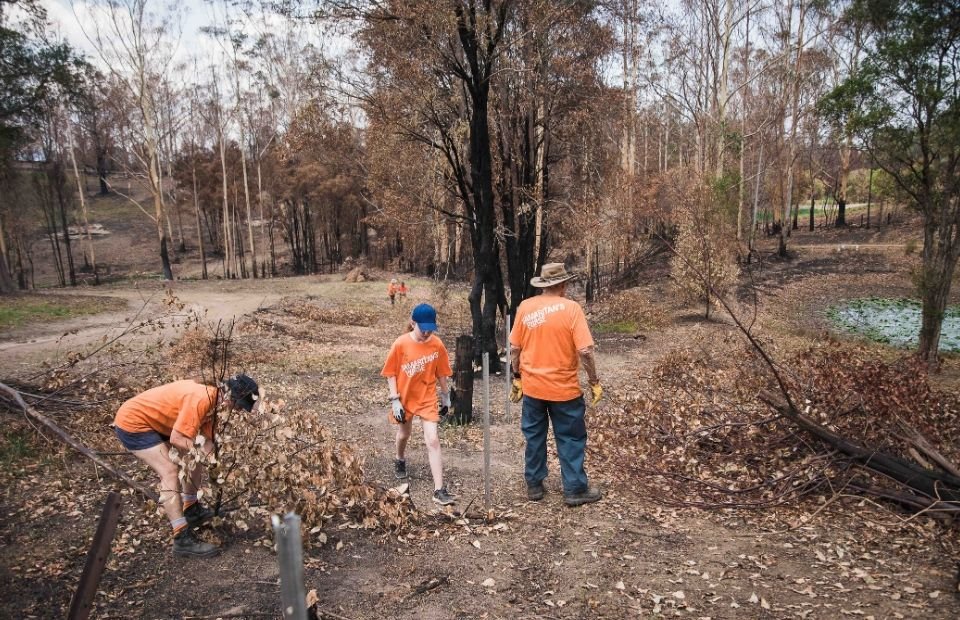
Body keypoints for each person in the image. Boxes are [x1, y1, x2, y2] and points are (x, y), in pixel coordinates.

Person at [113, 374, 260, 557]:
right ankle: (181, 538)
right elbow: (177, 438)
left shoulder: (216, 402)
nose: (237, 411)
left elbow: (205, 442)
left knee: (194, 456)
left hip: (162, 423)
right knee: (170, 471)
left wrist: (218, 465)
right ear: (230, 395)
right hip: (134, 423)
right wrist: (202, 454)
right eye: (238, 406)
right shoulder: (202, 398)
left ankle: (191, 509)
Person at [509, 263, 604, 506]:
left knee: (534, 436)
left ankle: (534, 485)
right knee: (571, 438)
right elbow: (584, 351)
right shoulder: (571, 309)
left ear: (543, 284)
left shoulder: (525, 307)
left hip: (533, 387)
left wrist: (516, 376)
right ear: (562, 284)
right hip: (564, 389)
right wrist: (594, 381)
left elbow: (515, 348)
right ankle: (574, 489)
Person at [380, 303, 455, 505]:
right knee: (404, 434)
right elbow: (390, 373)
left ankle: (439, 490)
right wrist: (395, 400)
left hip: (427, 398)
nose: (428, 332)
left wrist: (446, 396)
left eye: (431, 328)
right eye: (424, 328)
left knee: (433, 440)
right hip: (405, 398)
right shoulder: (401, 344)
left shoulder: (437, 344)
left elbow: (441, 373)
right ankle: (400, 458)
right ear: (413, 323)